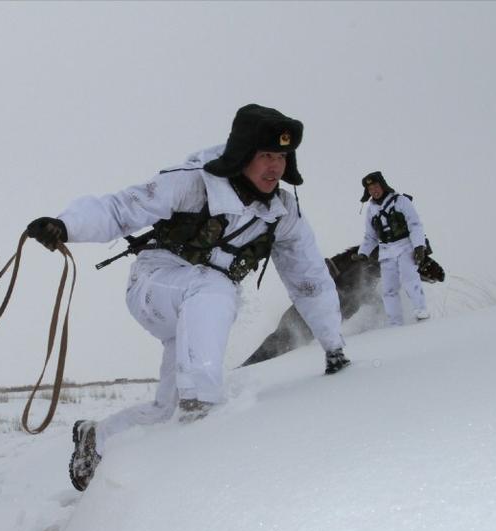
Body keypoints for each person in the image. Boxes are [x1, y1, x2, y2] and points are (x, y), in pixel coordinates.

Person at [26, 104, 348, 491]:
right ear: (243, 153)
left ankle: (98, 436)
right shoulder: (194, 183)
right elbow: (122, 208)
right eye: (265, 155)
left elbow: (308, 277)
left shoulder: (283, 213)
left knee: (166, 409)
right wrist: (66, 226)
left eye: (281, 156)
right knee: (214, 289)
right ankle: (203, 411)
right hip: (155, 285)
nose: (274, 167)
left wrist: (333, 345)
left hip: (198, 310)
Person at [353, 171, 430, 326]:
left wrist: (419, 246)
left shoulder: (400, 201)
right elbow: (370, 236)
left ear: (382, 185)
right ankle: (395, 322)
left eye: (375, 186)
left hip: (405, 246)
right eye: (370, 189)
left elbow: (415, 224)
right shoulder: (371, 210)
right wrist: (363, 253)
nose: (374, 190)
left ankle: (421, 311)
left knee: (410, 279)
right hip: (386, 251)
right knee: (389, 290)